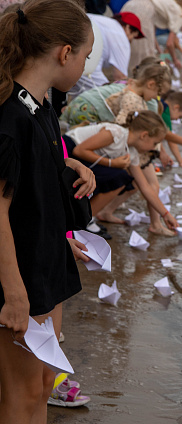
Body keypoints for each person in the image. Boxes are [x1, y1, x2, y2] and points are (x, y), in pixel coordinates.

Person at [0, 0, 96, 422]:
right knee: (20, 395)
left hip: (45, 262)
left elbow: (33, 181)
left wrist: (67, 166)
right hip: (19, 275)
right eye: (86, 55)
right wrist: (14, 292)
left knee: (42, 384)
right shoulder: (10, 117)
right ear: (64, 52)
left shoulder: (40, 105)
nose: (85, 65)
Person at [62, 110, 179, 232]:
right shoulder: (115, 132)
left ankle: (83, 220)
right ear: (144, 135)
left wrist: (166, 214)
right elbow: (79, 151)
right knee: (120, 176)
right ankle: (80, 220)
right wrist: (112, 163)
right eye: (155, 143)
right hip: (67, 151)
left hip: (85, 162)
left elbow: (145, 186)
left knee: (123, 178)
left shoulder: (131, 153)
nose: (154, 147)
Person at [69, 11, 145, 98]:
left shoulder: (104, 22)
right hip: (84, 65)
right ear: (128, 28)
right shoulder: (121, 36)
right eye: (133, 37)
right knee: (106, 95)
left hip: (68, 51)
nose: (131, 41)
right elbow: (120, 77)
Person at [121, 0, 182, 72]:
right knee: (144, 56)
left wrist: (159, 51)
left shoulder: (166, 5)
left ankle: (123, 73)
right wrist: (175, 60)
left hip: (130, 4)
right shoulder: (180, 13)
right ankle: (136, 78)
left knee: (127, 45)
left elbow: (152, 34)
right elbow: (170, 43)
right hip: (144, 11)